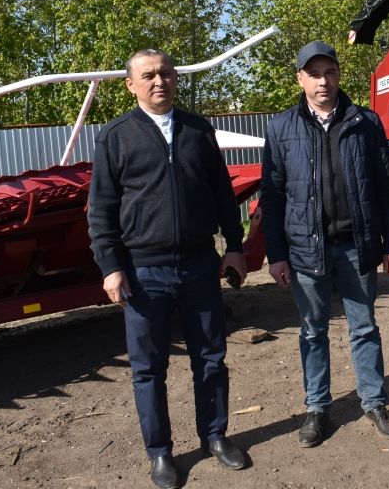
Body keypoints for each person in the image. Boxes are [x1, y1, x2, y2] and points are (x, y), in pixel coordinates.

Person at [87, 49, 248, 489]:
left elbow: (221, 193)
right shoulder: (116, 136)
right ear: (130, 84)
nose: (160, 81)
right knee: (148, 369)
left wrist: (234, 247)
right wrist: (110, 266)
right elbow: (101, 209)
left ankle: (215, 436)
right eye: (149, 75)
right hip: (143, 272)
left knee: (211, 360)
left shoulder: (197, 129)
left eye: (166, 73)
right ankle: (160, 454)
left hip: (199, 265)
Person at [260, 40, 389, 447]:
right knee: (312, 331)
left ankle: (374, 401)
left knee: (364, 328)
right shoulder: (282, 127)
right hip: (307, 250)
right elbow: (271, 196)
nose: (323, 81)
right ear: (300, 79)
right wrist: (276, 254)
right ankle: (317, 408)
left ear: (338, 75)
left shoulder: (365, 122)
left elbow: (385, 187)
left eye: (330, 72)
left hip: (356, 245)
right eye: (314, 74)